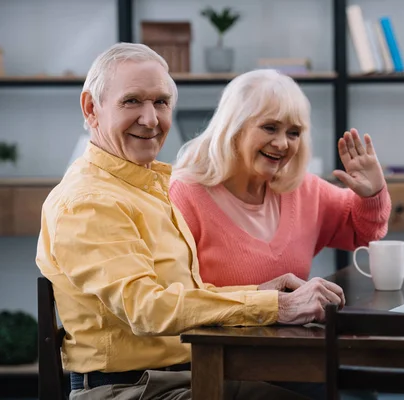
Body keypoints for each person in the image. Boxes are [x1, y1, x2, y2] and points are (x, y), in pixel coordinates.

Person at [35, 43, 345, 400]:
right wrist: (278, 307)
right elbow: (147, 309)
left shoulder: (150, 187)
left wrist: (263, 293)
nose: (151, 119)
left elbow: (183, 296)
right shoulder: (89, 202)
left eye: (161, 102)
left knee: (330, 384)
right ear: (92, 108)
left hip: (186, 374)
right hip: (130, 389)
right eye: (132, 101)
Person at [169, 69, 392, 289]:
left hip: (297, 327)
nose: (282, 144)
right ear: (234, 128)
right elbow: (174, 299)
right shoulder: (184, 194)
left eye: (293, 133)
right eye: (270, 128)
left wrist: (372, 193)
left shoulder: (303, 189)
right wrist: (264, 302)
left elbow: (363, 231)